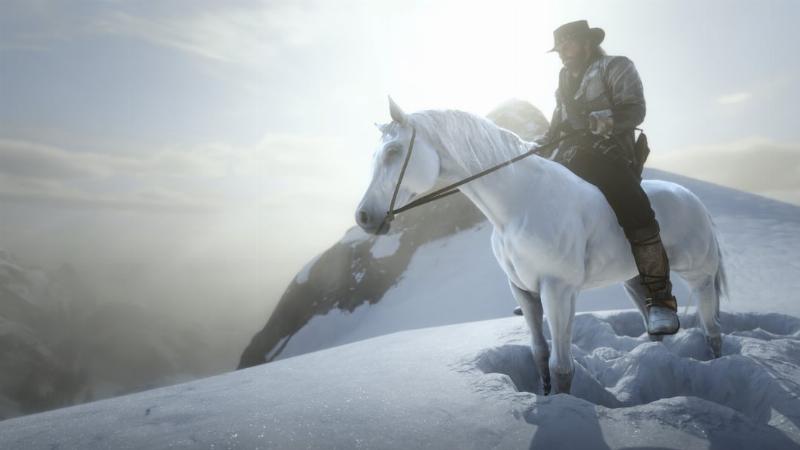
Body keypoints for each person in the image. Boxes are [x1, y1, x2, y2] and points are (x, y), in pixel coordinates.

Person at [528, 20, 679, 335]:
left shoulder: (616, 67)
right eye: (559, 49)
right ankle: (544, 287)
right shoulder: (563, 79)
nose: (563, 54)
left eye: (567, 45)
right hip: (570, 157)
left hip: (610, 154)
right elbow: (558, 126)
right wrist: (536, 147)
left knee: (636, 211)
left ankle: (660, 300)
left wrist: (595, 124)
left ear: (586, 42)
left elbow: (635, 110)